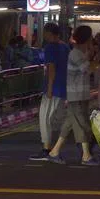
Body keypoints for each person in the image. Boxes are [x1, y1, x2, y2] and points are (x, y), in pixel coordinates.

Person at [47, 25, 98, 165]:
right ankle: (86, 156)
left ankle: (54, 152)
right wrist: (98, 59)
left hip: (80, 95)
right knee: (82, 125)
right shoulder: (75, 53)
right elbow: (88, 69)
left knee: (69, 124)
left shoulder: (80, 53)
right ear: (87, 38)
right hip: (76, 96)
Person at [30, 23, 68, 161]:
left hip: (53, 88)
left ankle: (46, 149)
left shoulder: (50, 48)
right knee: (56, 119)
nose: (44, 35)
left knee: (45, 118)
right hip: (63, 88)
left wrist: (49, 88)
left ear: (49, 33)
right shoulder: (65, 47)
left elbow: (51, 68)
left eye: (45, 33)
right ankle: (54, 147)